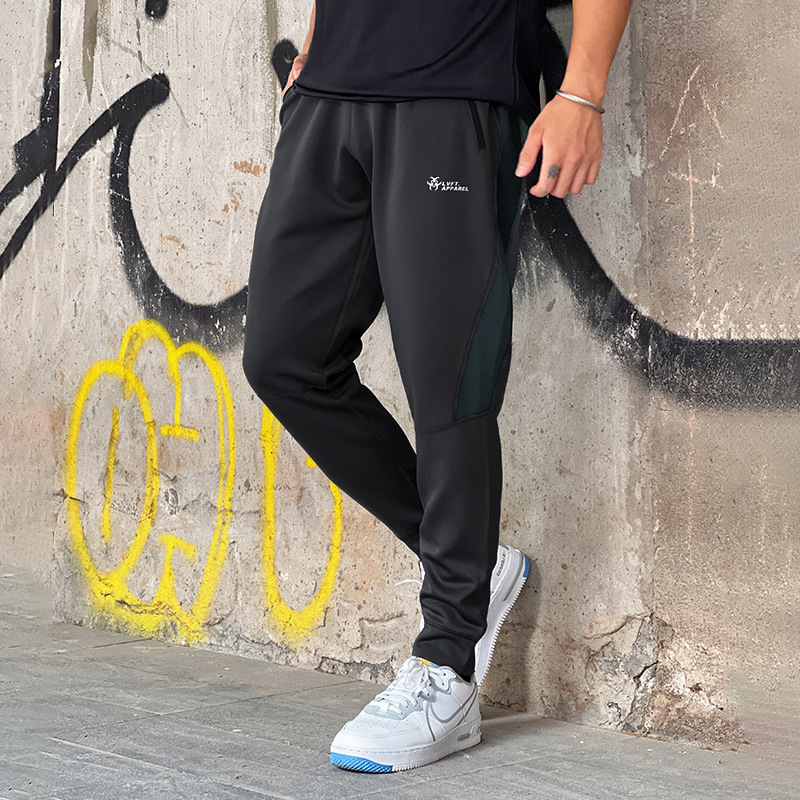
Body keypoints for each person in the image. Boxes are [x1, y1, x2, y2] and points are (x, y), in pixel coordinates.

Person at [243, 0, 633, 773]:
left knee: (448, 385)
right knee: (284, 358)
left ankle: (447, 666)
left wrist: (582, 93)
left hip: (457, 87)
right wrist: (317, 43)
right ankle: (472, 563)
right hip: (332, 89)